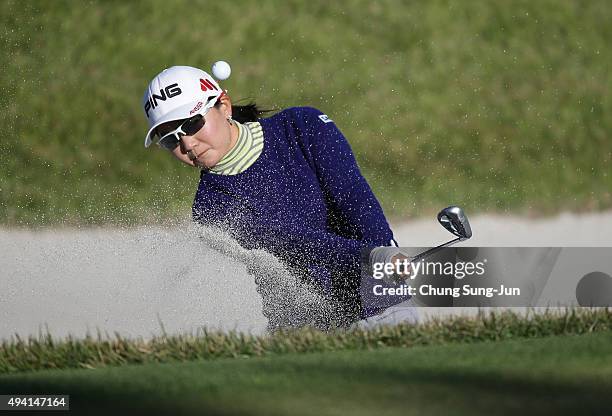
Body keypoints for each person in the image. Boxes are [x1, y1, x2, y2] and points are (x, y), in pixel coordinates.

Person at [142, 65, 410, 329]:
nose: (187, 144)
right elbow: (295, 242)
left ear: (224, 105)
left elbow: (354, 197)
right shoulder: (211, 208)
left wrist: (384, 253)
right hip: (309, 328)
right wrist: (374, 256)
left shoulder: (302, 126)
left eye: (192, 124)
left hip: (382, 301)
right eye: (169, 139)